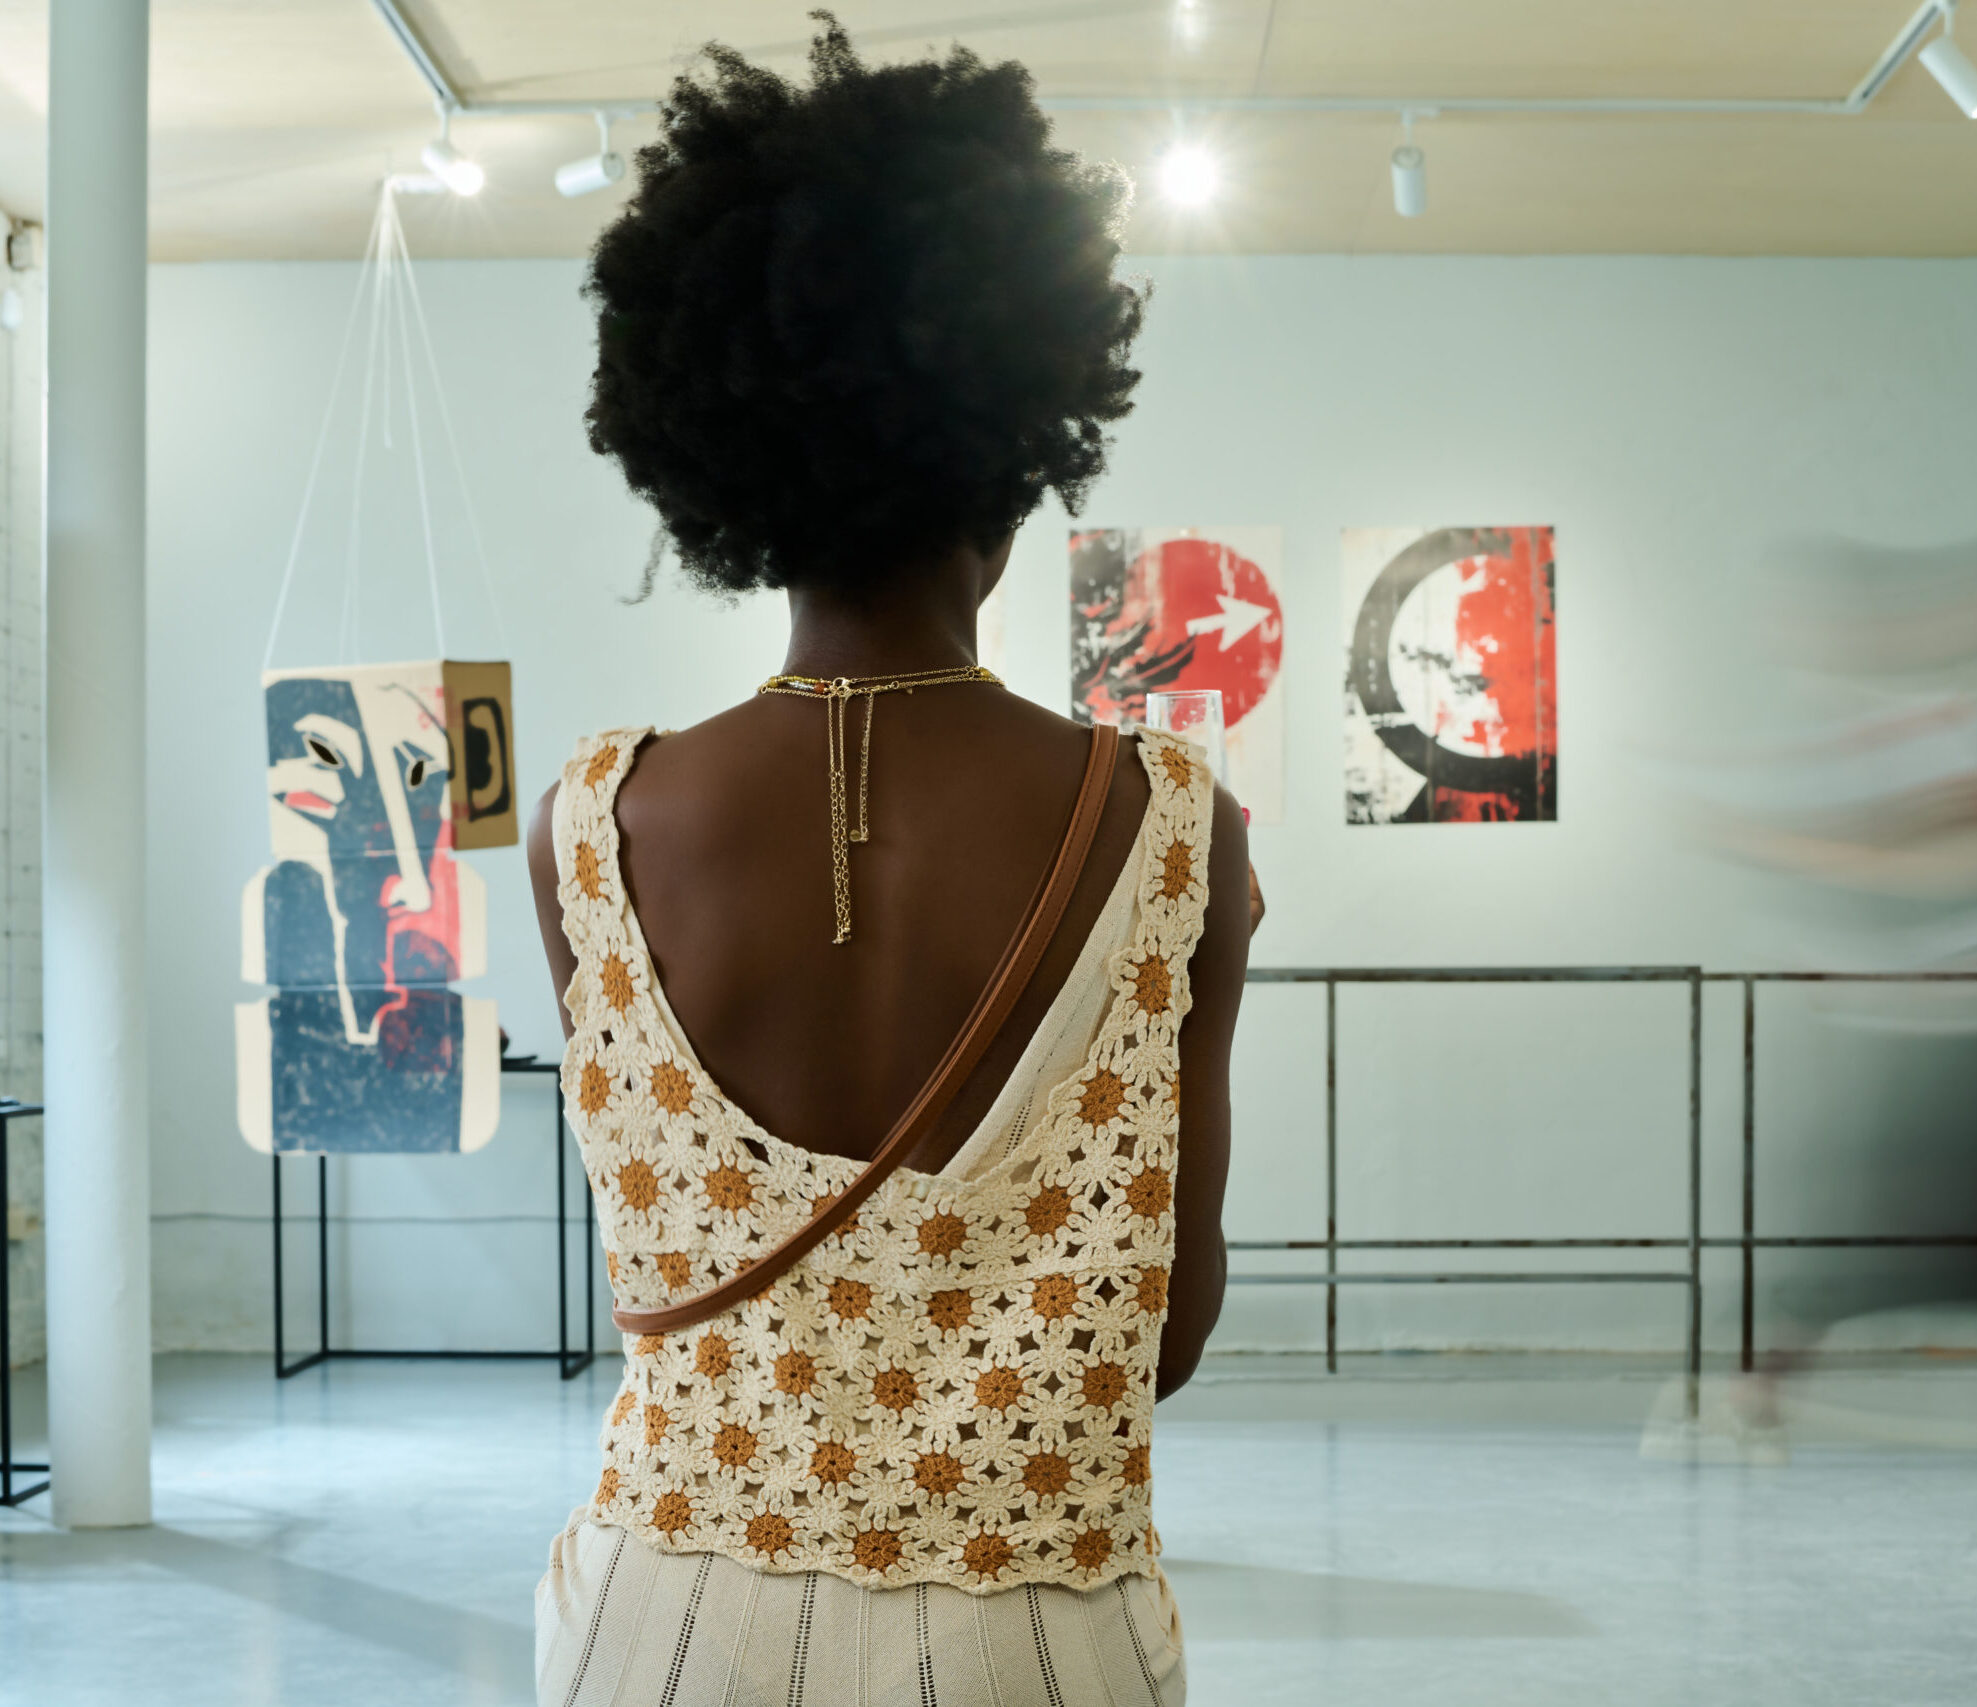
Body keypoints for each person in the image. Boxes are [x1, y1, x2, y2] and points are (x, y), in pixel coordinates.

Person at [523, 21, 1252, 1702]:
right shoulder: (1173, 829)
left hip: (659, 1624)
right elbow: (1169, 1336)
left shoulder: (590, 827)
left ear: (722, 475)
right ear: (1024, 452)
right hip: (1029, 1627)